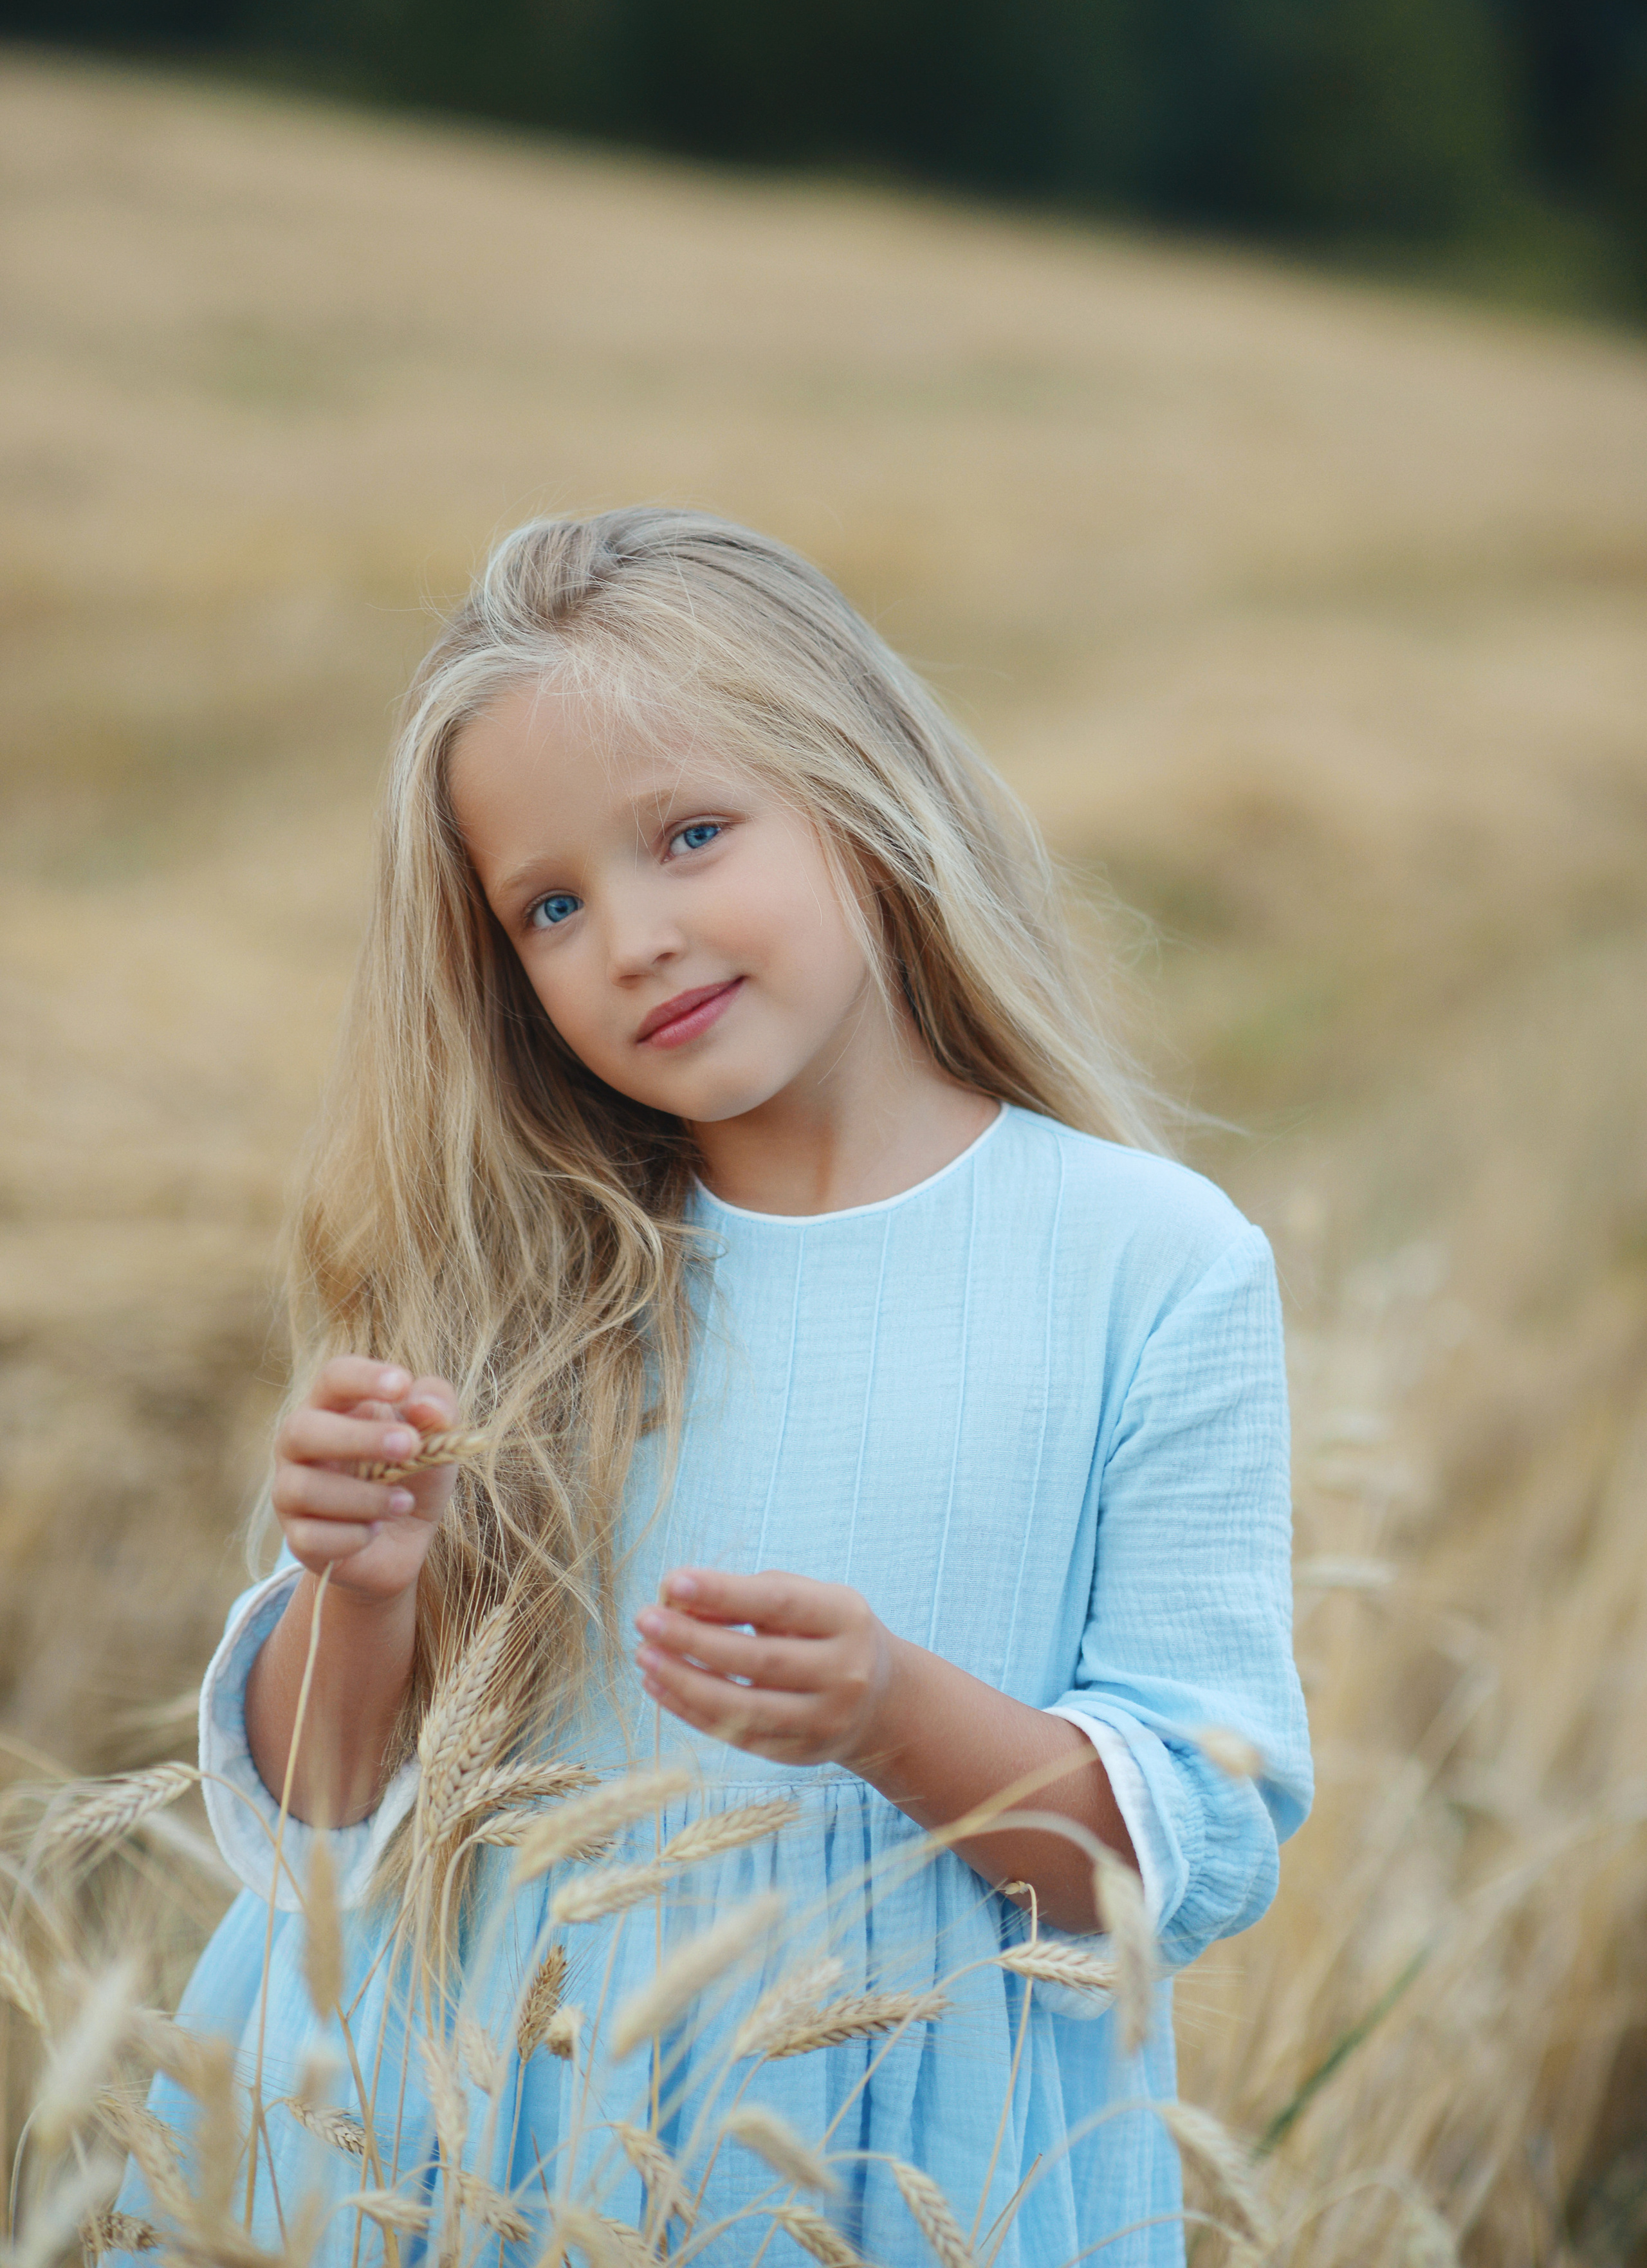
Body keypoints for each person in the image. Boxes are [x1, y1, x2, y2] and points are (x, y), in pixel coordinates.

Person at [134, 509, 1311, 2267]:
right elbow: (325, 1814)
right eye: (551, 903)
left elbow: (1177, 1866)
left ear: (861, 790)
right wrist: (353, 1588)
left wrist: (893, 1715)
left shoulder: (1148, 1263)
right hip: (459, 2123)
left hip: (881, 2157)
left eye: (691, 834)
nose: (635, 936)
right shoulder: (512, 1268)